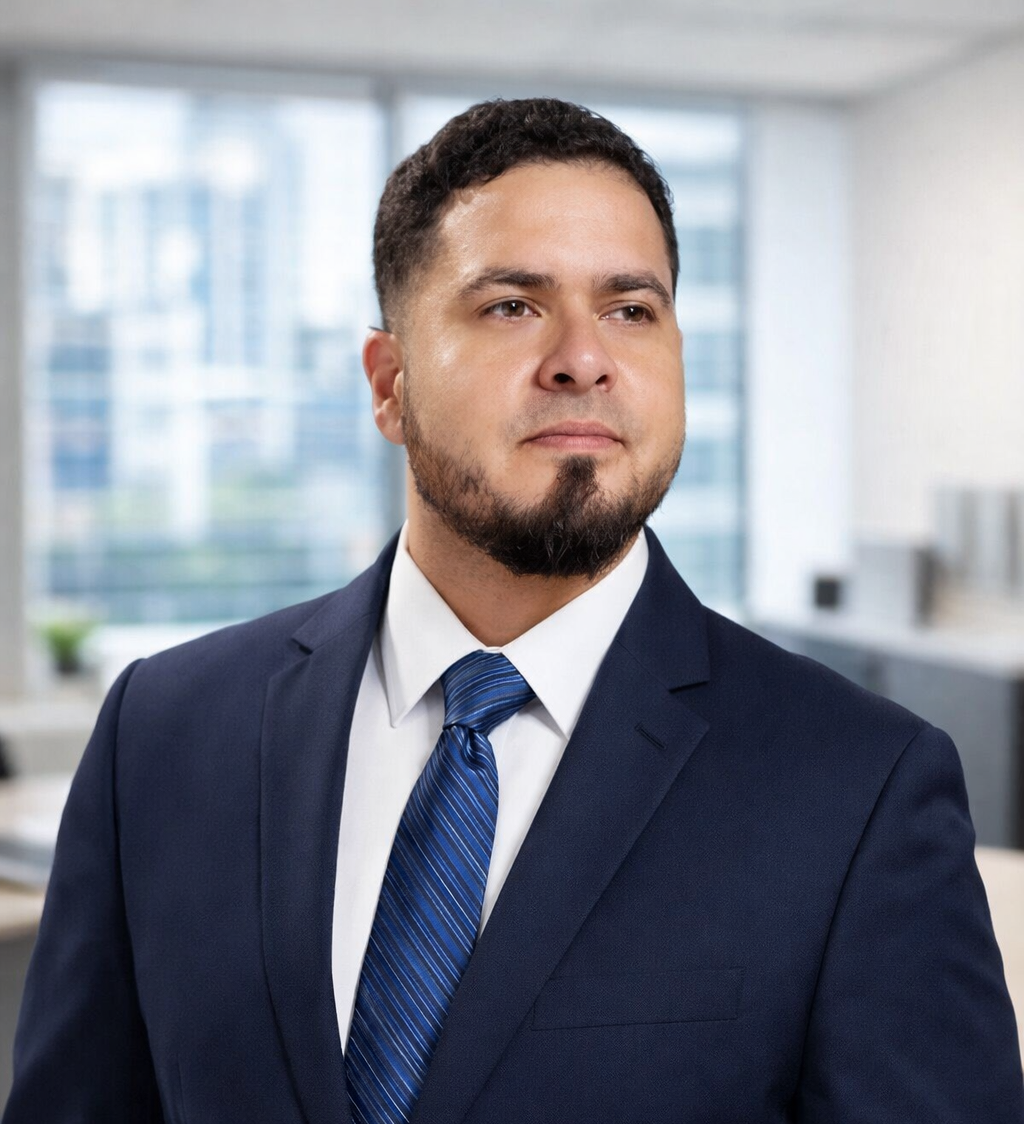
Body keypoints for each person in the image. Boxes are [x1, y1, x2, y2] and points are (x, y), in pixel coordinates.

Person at [4, 97, 1022, 1124]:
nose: (584, 356)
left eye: (632, 308)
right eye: (511, 305)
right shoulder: (164, 734)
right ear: (390, 385)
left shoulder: (857, 788)